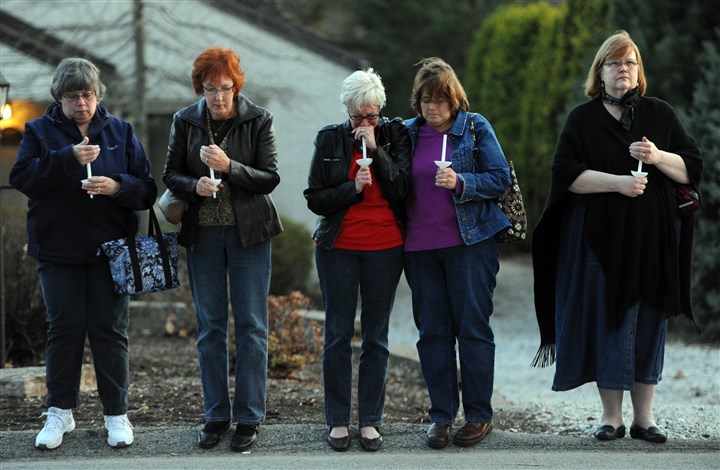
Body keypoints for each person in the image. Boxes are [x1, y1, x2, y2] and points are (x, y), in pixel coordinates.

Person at [532, 30, 703, 444]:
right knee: (607, 320)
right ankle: (611, 418)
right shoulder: (582, 119)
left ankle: (645, 419)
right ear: (601, 72)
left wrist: (657, 156)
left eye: (630, 63)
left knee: (648, 323)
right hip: (600, 242)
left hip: (654, 241)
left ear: (638, 71)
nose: (622, 69)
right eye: (614, 63)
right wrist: (618, 183)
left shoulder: (659, 114)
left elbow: (691, 168)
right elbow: (566, 176)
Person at [9, 58, 157, 450]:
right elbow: (23, 179)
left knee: (110, 331)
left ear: (98, 95)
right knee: (65, 329)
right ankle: (59, 412)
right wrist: (67, 158)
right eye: (73, 96)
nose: (81, 103)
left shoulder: (120, 131)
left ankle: (116, 414)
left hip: (112, 250)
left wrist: (117, 186)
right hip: (58, 249)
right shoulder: (40, 131)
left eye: (87, 95)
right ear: (59, 99)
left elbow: (146, 189)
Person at [162, 46, 283, 451]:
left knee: (251, 326)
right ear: (200, 87)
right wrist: (193, 185)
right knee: (210, 326)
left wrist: (230, 167)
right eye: (210, 89)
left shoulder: (258, 118)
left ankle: (249, 417)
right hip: (204, 235)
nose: (218, 97)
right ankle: (216, 414)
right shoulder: (185, 120)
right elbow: (170, 173)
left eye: (225, 88)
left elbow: (269, 177)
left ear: (236, 86)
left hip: (249, 234)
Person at [403, 58, 511, 449]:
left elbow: (500, 178)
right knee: (432, 333)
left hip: (470, 244)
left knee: (472, 329)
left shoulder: (476, 128)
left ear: (455, 100)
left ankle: (479, 415)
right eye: (426, 100)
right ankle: (441, 416)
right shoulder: (406, 133)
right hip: (418, 249)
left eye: (440, 101)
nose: (433, 108)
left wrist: (461, 180)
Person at [304, 68, 411, 452]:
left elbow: (402, 186)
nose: (364, 124)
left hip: (385, 245)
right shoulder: (329, 138)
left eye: (371, 116)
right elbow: (315, 196)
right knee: (336, 335)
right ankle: (336, 419)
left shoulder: (395, 134)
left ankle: (370, 421)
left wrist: (377, 151)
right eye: (357, 117)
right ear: (346, 111)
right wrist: (352, 189)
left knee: (376, 336)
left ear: (380, 110)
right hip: (338, 246)